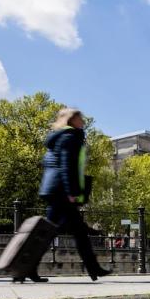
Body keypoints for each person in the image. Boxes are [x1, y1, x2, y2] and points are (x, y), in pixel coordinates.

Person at [35, 107, 111, 282]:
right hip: (61, 191)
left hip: (54, 189)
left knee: (77, 232)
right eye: (80, 118)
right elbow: (67, 165)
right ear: (72, 120)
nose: (83, 121)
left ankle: (94, 268)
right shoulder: (70, 137)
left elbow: (48, 162)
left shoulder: (58, 137)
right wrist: (71, 192)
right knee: (51, 233)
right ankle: (29, 266)